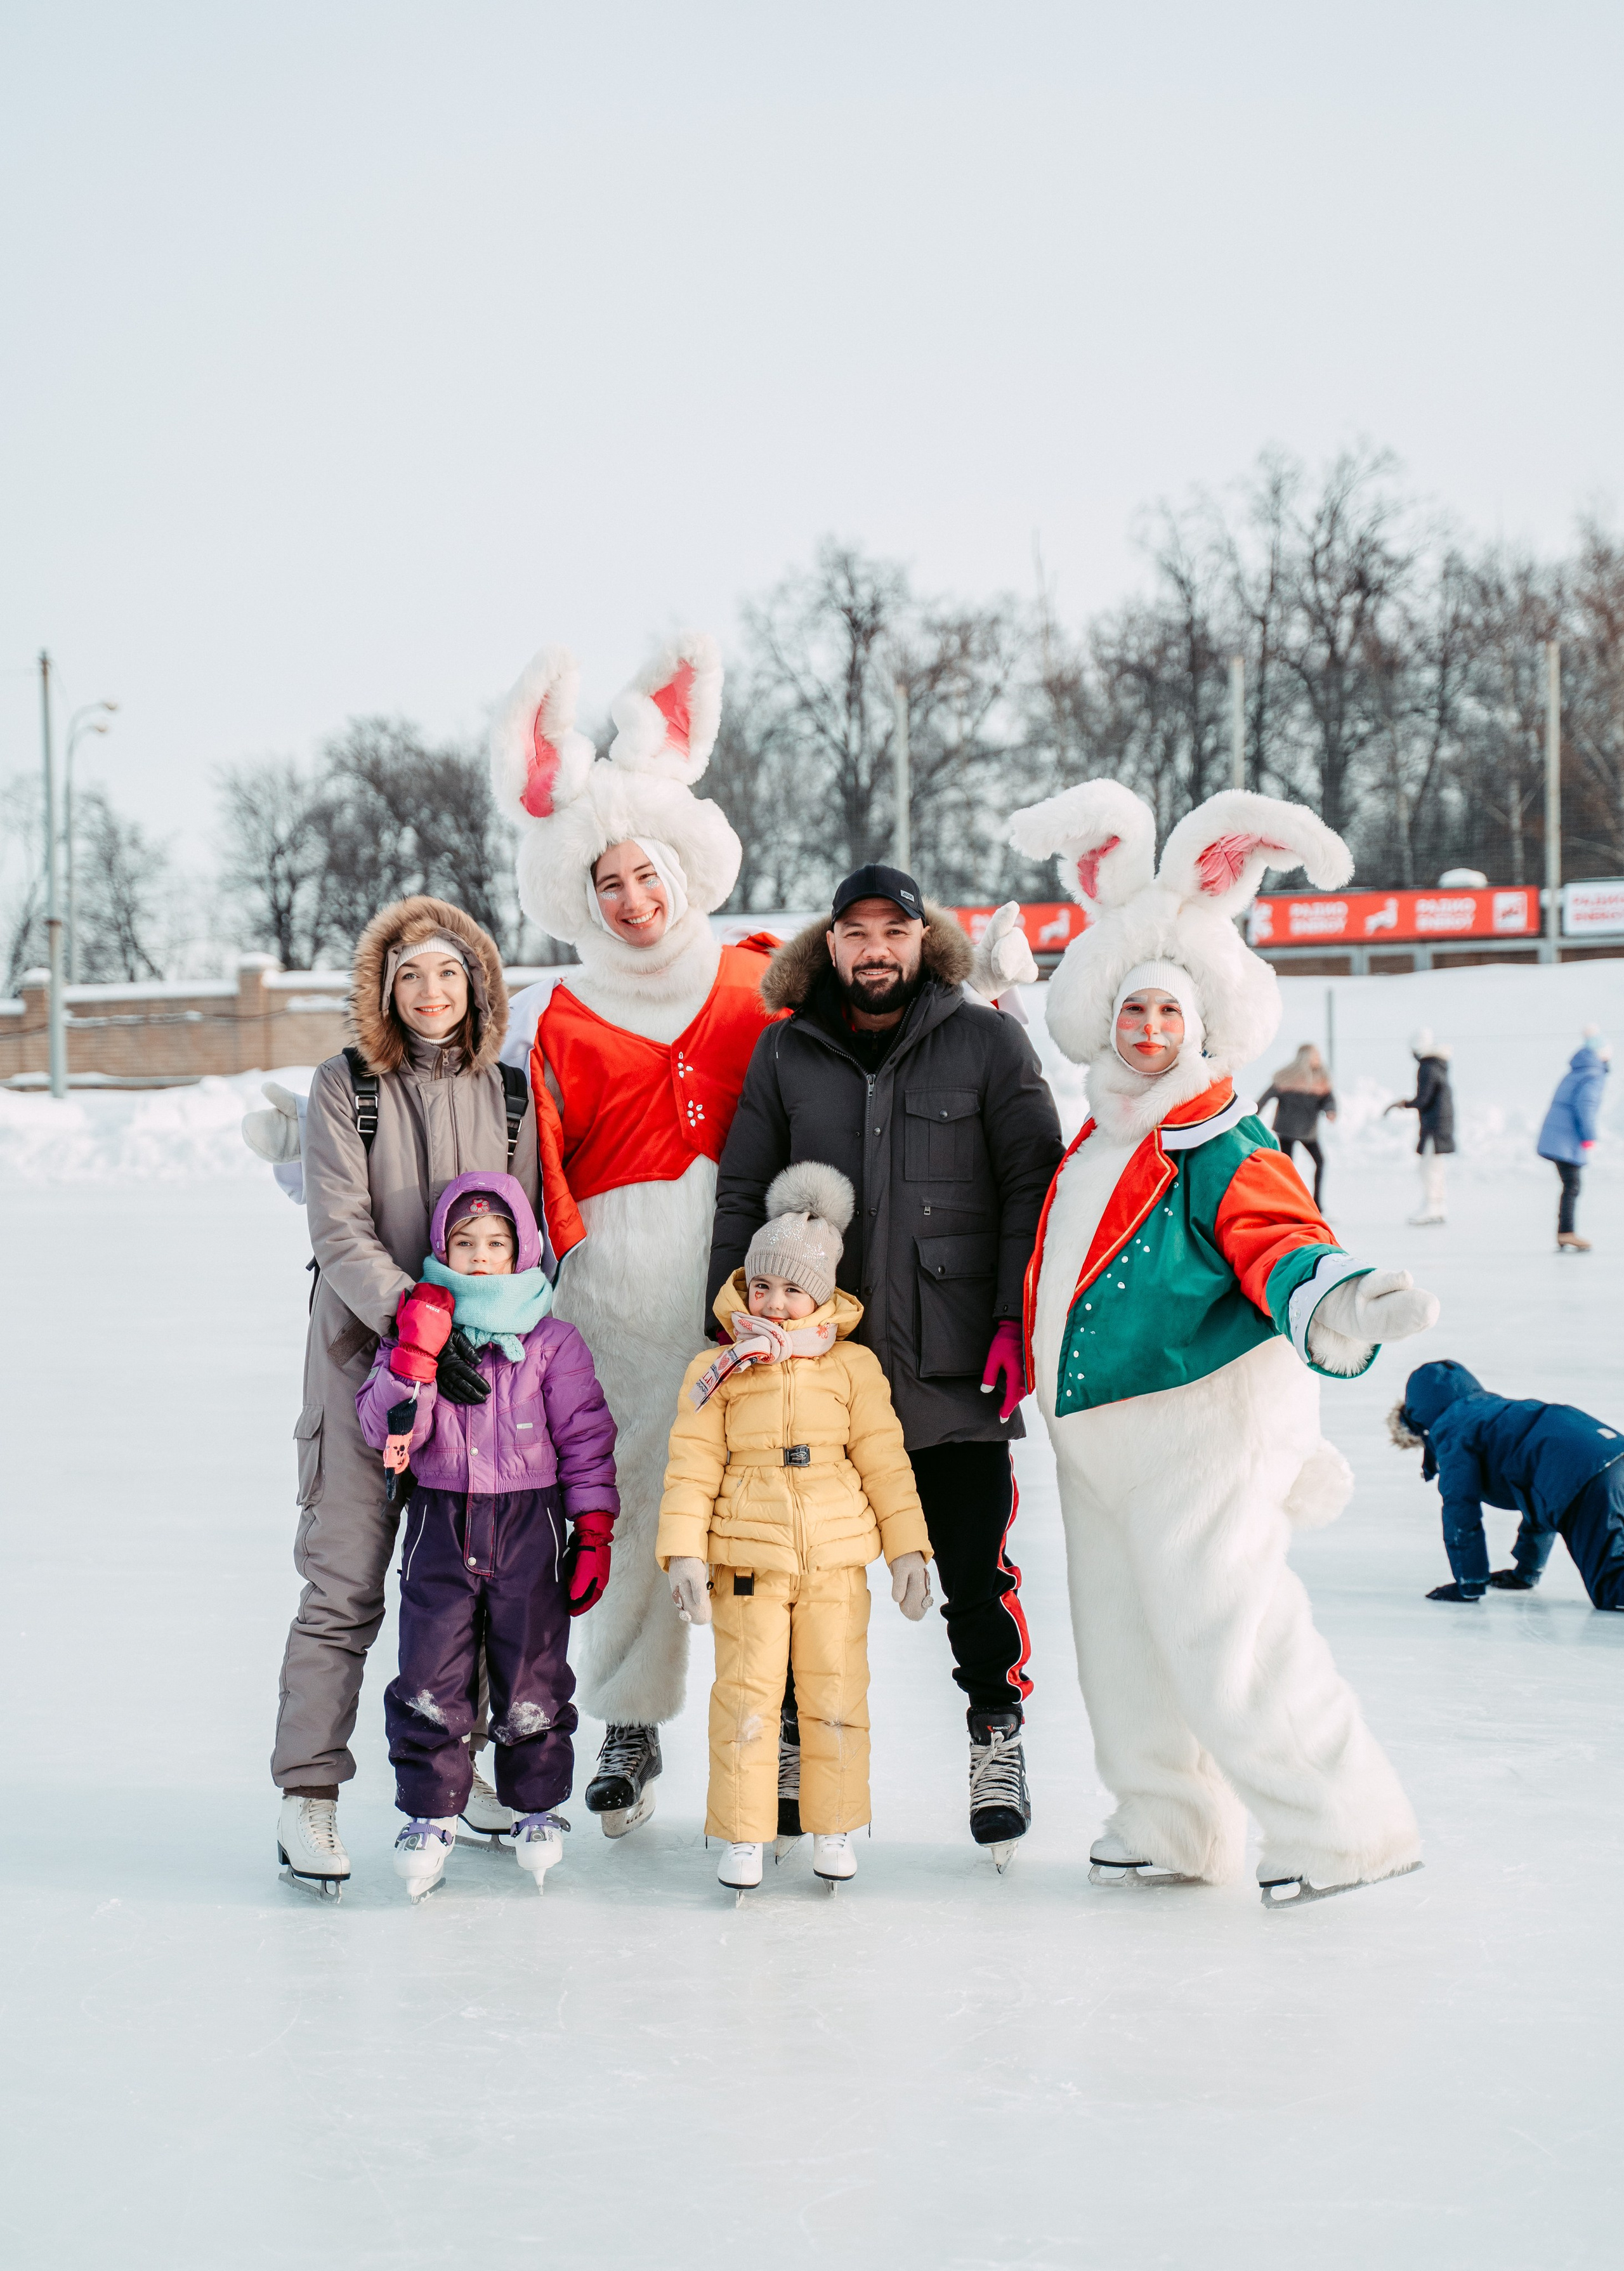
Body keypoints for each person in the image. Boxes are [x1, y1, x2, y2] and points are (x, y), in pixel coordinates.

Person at [1006, 780, 1439, 1909]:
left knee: (1230, 1635)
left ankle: (1347, 1827)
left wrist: (1347, 1301)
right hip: (1100, 1442)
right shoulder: (1101, 1135)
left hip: (1197, 1429)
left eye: (1168, 1014)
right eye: (1133, 1013)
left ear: (1201, 1025)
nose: (1149, 1032)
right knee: (1122, 1644)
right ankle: (1171, 1818)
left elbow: (1284, 1241)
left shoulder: (1220, 1139)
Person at [487, 634, 785, 1838]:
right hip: (612, 1315)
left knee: (761, 1518)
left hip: (751, 1308)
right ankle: (627, 1718)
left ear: (681, 868)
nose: (632, 898)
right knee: (621, 1509)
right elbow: (471, 1145)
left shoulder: (762, 984)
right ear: (581, 894)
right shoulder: (548, 1017)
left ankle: (776, 1730)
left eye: (645, 874)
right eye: (607, 882)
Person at [707, 864, 1064, 1864]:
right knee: (795, 1569)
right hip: (813, 1370)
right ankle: (789, 1746)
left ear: (923, 940)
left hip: (954, 1363)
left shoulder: (989, 1042)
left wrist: (1014, 1318)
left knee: (974, 1571)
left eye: (893, 932)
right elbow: (742, 1188)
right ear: (831, 945)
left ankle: (996, 1734)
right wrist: (729, 1318)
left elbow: (1033, 1184)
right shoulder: (787, 1051)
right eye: (856, 932)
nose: (875, 950)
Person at [246, 896, 542, 1898]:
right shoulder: (346, 1087)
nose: (430, 991)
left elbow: (523, 1227)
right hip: (360, 1365)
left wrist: (490, 1337)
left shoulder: (511, 1093)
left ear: (479, 983)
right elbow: (339, 1228)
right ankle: (309, 1790)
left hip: (479, 1380)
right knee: (344, 1583)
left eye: (449, 972)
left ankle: (471, 1769)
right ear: (383, 989)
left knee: (477, 1583)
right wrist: (417, 1323)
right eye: (409, 974)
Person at [658, 1164, 933, 1891]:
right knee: (745, 1697)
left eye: (791, 1288)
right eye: (761, 1285)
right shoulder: (717, 1369)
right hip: (747, 1558)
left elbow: (884, 1461)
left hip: (834, 1559)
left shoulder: (852, 1367)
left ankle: (833, 1825)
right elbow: (691, 1465)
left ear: (821, 1293)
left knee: (836, 1691)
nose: (774, 1302)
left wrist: (907, 1549)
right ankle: (742, 1833)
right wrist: (683, 1552)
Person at [355, 1173, 619, 1899]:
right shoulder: (415, 1328)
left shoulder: (552, 1340)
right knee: (430, 1674)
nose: (480, 1256)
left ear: (523, 1250)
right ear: (441, 1248)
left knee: (532, 1671)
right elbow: (383, 1429)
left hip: (530, 1524)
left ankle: (536, 1806)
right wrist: (415, 1360)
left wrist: (593, 1528)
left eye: (497, 1243)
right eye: (465, 1242)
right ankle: (430, 1812)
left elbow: (586, 1438)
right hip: (440, 1522)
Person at [1391, 1359, 1624, 1609]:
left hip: (1586, 1476)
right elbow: (1536, 1495)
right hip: (1614, 1454)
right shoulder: (1498, 1415)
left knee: (1612, 1588)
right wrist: (1526, 1572)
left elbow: (1461, 1510)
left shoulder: (1454, 1432)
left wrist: (1469, 1584)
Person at [1536, 1030, 1610, 1252]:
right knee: (1572, 1185)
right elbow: (1585, 1106)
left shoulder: (1577, 1072)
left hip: (1559, 1135)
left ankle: (1565, 1233)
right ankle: (1566, 1233)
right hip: (1566, 1138)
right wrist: (1589, 1136)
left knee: (1570, 1185)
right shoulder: (1593, 1075)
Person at [1385, 1029, 1454, 1225]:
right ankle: (1438, 1205)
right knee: (1435, 1166)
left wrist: (1405, 1104)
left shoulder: (1427, 1067)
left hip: (1434, 1124)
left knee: (1427, 1167)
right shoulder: (1439, 1064)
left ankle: (1432, 1206)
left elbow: (1424, 1099)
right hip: (1442, 1122)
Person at [1257, 1043, 1336, 1208]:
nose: (1319, 1058)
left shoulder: (1320, 1079)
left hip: (1308, 1131)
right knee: (1288, 1166)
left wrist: (1330, 1110)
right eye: (1315, 1055)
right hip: (1288, 1129)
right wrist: (1253, 1113)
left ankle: (1315, 1203)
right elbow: (1265, 1099)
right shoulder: (1288, 1077)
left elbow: (1328, 1100)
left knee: (1318, 1162)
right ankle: (1287, 1201)